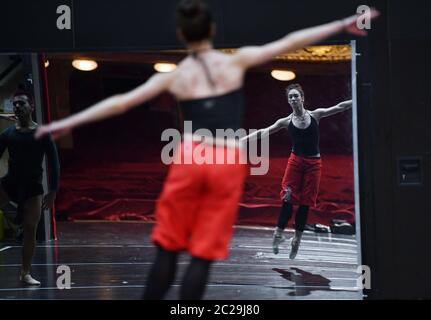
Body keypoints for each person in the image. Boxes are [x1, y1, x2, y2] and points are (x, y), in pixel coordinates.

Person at [35, 0, 378, 299]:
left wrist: (64, 123)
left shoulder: (179, 75)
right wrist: (339, 25)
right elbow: (291, 42)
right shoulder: (234, 63)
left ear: (183, 36)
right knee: (201, 252)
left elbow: (122, 102)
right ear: (212, 29)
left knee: (173, 252)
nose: (294, 99)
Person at [242, 83, 352, 259]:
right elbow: (264, 132)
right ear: (288, 101)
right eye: (290, 97)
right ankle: (278, 234)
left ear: (302, 98)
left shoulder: (316, 115)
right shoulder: (285, 122)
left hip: (314, 164)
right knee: (287, 198)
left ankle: (296, 240)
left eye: (296, 96)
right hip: (295, 162)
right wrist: (241, 141)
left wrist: (357, 100)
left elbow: (340, 107)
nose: (293, 99)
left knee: (305, 202)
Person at [0, 90, 60, 285]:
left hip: (33, 188)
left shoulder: (42, 133)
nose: (17, 106)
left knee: (30, 230)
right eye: (15, 104)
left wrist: (52, 191)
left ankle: (25, 272)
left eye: (22, 104)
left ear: (31, 107)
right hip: (10, 184)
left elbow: (54, 163)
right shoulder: (8, 133)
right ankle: (12, 212)